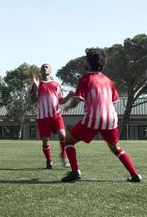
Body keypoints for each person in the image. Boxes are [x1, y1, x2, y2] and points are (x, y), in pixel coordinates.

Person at [61, 48, 142, 183]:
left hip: (93, 118)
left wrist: (68, 106)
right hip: (110, 118)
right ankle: (135, 175)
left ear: (88, 62)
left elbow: (78, 99)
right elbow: (114, 101)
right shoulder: (108, 80)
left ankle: (75, 171)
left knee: (68, 141)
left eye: (85, 59)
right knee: (115, 148)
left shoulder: (85, 79)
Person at [29, 63, 74, 169]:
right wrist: (35, 88)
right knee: (45, 141)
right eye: (42, 67)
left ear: (50, 70)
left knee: (63, 135)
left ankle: (63, 154)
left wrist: (69, 96)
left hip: (55, 115)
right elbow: (33, 100)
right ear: (40, 71)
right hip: (42, 117)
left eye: (46, 67)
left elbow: (61, 100)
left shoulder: (56, 84)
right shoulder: (36, 84)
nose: (44, 68)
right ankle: (49, 161)